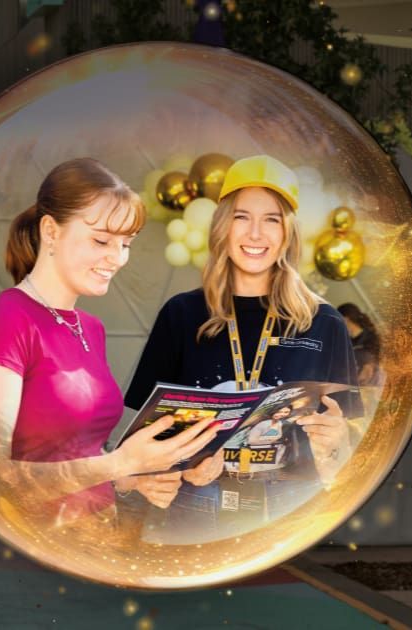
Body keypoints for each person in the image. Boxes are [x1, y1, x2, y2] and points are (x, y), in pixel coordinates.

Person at [0, 157, 220, 525]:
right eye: (101, 240)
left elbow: (80, 456)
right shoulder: (1, 323)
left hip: (95, 540)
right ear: (51, 231)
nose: (117, 258)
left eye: (126, 243)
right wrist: (121, 463)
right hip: (35, 546)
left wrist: (132, 479)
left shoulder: (90, 328)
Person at [124, 155, 363, 544]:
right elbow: (147, 435)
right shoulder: (182, 314)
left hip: (292, 505)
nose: (255, 233)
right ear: (223, 226)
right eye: (241, 217)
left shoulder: (324, 322)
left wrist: (337, 443)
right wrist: (185, 464)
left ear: (288, 233)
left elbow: (353, 444)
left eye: (272, 219)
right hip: (198, 502)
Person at [338, 303, 382, 387]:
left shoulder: (371, 338)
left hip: (369, 385)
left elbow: (372, 365)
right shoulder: (346, 340)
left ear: (346, 319)